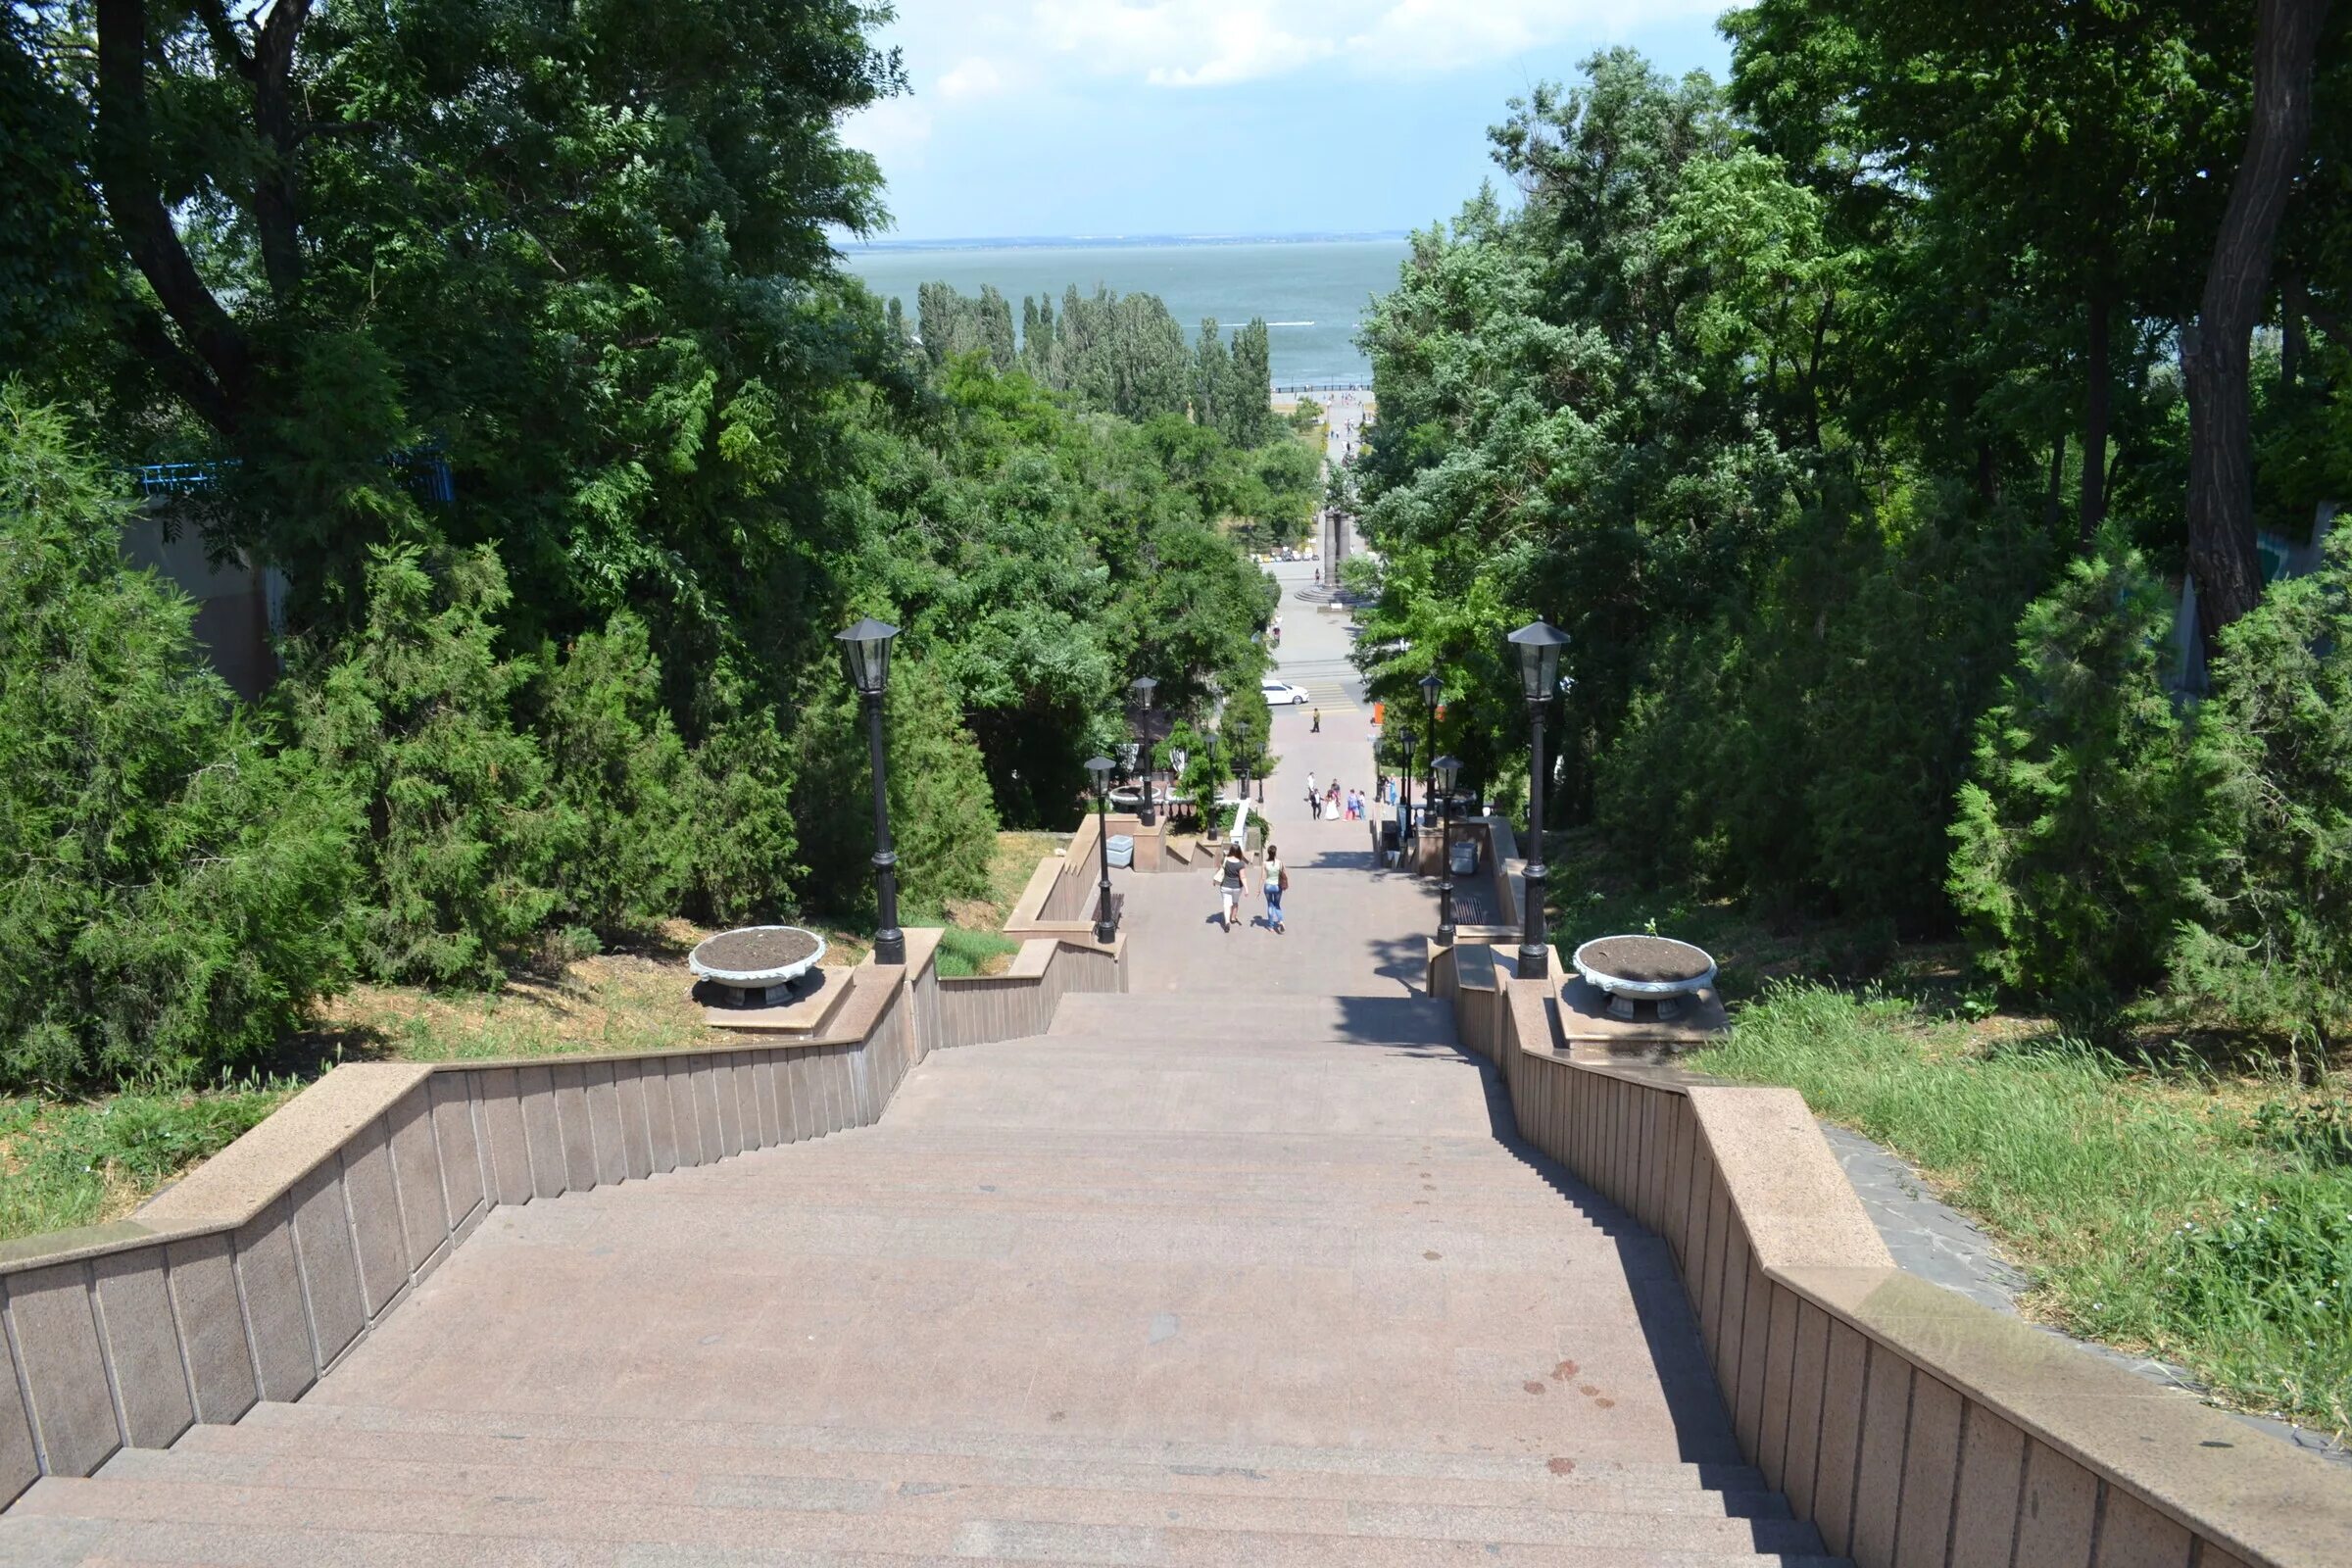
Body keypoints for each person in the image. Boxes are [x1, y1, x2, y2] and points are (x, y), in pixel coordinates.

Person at [1214, 840, 1248, 933]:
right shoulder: (1241, 863)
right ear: (1239, 852)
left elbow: (1220, 870)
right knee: (1235, 902)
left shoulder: (1225, 860)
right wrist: (1246, 889)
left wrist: (1215, 880)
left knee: (1226, 904)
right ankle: (1233, 918)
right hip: (1237, 887)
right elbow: (1243, 877)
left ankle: (1227, 922)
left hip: (1225, 886)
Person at [1262, 844, 1288, 934]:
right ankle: (1280, 920)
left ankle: (1271, 926)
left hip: (1268, 886)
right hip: (1277, 886)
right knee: (1277, 904)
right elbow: (1284, 874)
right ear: (1275, 852)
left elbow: (1262, 877)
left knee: (1270, 904)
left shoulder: (1265, 863)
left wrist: (1258, 889)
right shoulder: (1280, 862)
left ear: (1268, 853)